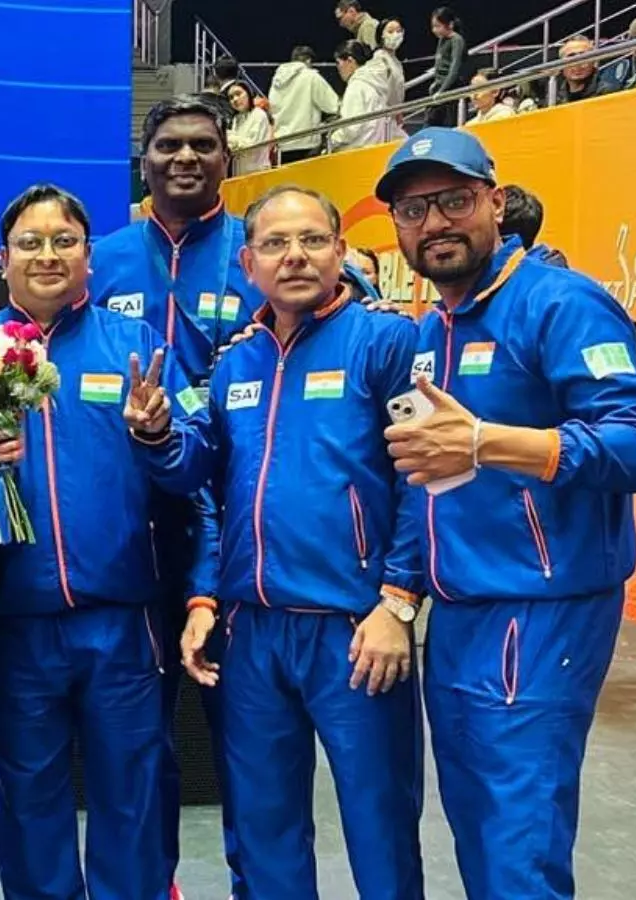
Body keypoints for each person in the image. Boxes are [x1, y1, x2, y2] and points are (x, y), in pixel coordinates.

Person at [377, 128, 636, 898]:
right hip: (462, 614)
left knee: (518, 846)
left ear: (495, 203)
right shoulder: (431, 327)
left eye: (454, 200)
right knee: (479, 828)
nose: (435, 222)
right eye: (414, 209)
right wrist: (402, 591)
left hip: (543, 614)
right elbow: (424, 478)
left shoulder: (559, 303)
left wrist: (486, 441)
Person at [167, 185, 426, 898]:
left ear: (340, 250)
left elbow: (427, 479)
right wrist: (204, 596)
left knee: (380, 829)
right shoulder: (234, 363)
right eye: (276, 245)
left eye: (313, 239)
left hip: (355, 633)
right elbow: (213, 496)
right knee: (264, 831)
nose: (295, 257)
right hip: (253, 636)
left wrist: (398, 600)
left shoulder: (388, 342)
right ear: (249, 262)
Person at [0, 183, 194, 899]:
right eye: (29, 243)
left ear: (88, 257)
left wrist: (158, 435)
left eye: (63, 241)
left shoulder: (135, 346)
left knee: (132, 795)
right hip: (14, 624)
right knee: (29, 801)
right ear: (3, 257)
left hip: (122, 621)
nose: (47, 255)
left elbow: (195, 463)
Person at [90, 93, 259, 898]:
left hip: (247, 516)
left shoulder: (258, 252)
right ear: (145, 160)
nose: (185, 158)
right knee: (141, 742)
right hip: (136, 527)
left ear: (228, 156)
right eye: (168, 146)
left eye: (202, 144)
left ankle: (253, 880)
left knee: (248, 746)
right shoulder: (107, 258)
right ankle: (152, 883)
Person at [267, 46, 342, 165]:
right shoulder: (311, 76)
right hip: (306, 144)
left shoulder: (276, 81)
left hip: (282, 145)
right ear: (309, 61)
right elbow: (332, 106)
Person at [329, 42, 398, 152]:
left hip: (358, 151)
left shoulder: (356, 87)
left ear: (350, 61)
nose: (338, 68)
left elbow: (350, 128)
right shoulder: (374, 82)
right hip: (376, 147)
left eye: (338, 63)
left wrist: (331, 140)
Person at [426, 8, 468, 127]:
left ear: (450, 24)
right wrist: (435, 85)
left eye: (438, 26)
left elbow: (454, 70)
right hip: (439, 90)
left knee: (448, 127)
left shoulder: (457, 40)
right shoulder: (442, 39)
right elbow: (439, 64)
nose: (434, 30)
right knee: (430, 125)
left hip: (450, 90)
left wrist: (441, 91)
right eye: (433, 26)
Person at [223, 79, 274, 176]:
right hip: (240, 172)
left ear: (248, 93)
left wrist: (231, 138)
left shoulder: (259, 115)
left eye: (238, 94)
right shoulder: (236, 119)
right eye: (231, 97)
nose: (235, 99)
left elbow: (251, 146)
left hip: (258, 172)